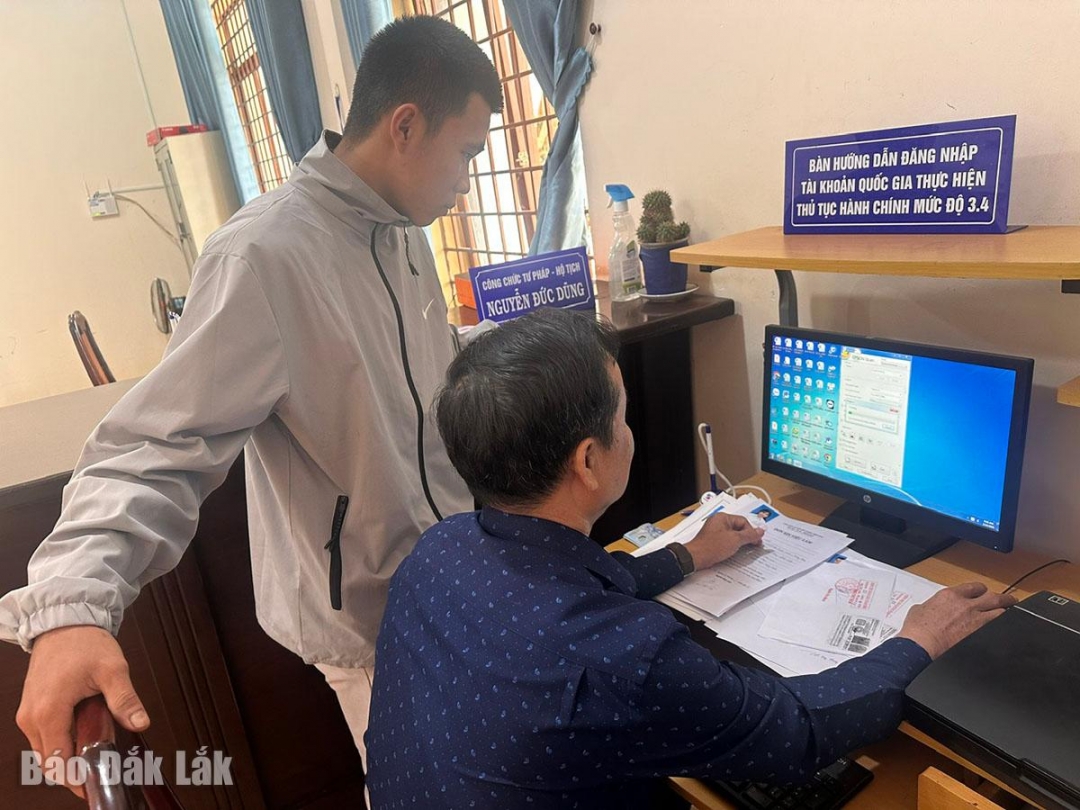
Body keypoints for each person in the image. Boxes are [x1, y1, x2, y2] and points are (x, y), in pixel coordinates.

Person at [1, 15, 502, 788]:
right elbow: (155, 446)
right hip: (369, 619)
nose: (467, 179)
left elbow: (408, 367)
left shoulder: (403, 231)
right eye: (466, 153)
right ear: (405, 126)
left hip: (450, 578)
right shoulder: (263, 254)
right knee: (419, 788)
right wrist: (70, 602)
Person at [364, 307, 1016, 809]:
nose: (630, 434)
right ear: (588, 461)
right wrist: (920, 638)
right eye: (623, 418)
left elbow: (572, 583)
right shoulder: (625, 656)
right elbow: (797, 732)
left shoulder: (440, 550)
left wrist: (686, 555)